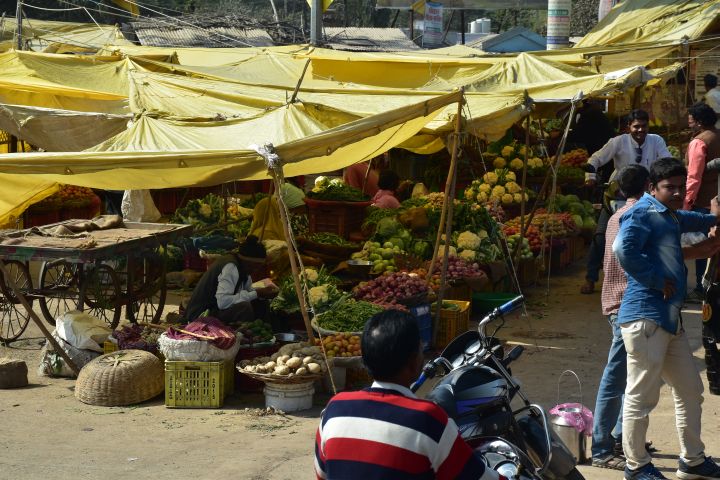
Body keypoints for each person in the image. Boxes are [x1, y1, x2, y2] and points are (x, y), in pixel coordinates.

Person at [591, 165, 720, 471]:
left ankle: (693, 460)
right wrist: (654, 279)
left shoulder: (668, 214)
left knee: (690, 390)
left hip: (668, 321)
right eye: (669, 187)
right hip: (645, 318)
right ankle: (636, 466)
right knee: (641, 396)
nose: (676, 193)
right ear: (652, 186)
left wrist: (714, 215)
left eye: (679, 187)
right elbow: (623, 248)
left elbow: (694, 219)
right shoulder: (642, 213)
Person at [314, 309, 504, 480]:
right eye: (421, 351)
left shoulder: (334, 408)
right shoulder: (427, 419)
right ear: (414, 364)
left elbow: (322, 475)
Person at [581, 109, 672, 294]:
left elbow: (667, 161)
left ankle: (657, 278)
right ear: (628, 127)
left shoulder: (657, 141)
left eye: (644, 126)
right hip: (617, 195)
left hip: (646, 197)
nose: (640, 130)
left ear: (648, 126)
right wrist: (590, 177)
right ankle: (590, 278)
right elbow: (595, 159)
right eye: (636, 126)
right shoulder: (618, 142)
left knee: (655, 236)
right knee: (600, 236)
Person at [183, 239, 277, 324]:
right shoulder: (231, 267)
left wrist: (262, 294)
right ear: (248, 262)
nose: (256, 270)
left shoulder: (244, 269)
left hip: (215, 309)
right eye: (255, 266)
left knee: (260, 302)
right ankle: (241, 337)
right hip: (200, 315)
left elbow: (249, 291)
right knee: (243, 308)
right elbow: (223, 302)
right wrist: (257, 293)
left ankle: (264, 333)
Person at [684, 103, 720, 300]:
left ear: (698, 121)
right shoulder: (718, 134)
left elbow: (694, 177)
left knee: (701, 245)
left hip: (704, 202)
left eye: (690, 120)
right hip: (718, 199)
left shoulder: (699, 142)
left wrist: (687, 203)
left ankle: (701, 287)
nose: (689, 124)